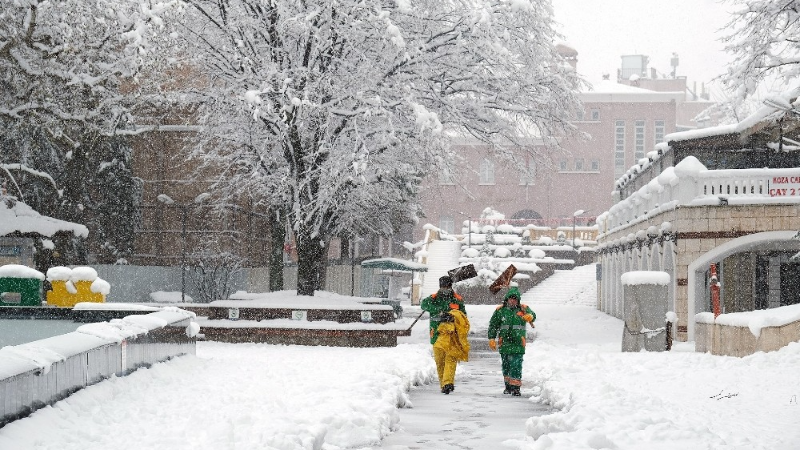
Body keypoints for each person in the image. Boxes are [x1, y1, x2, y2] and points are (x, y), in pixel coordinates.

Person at [421, 275, 468, 394]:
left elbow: (463, 317)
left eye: (447, 286)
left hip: (452, 334)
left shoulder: (457, 300)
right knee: (440, 361)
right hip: (437, 334)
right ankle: (444, 384)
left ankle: (448, 383)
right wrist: (439, 311)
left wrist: (453, 316)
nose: (445, 288)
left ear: (450, 286)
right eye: (443, 286)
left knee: (451, 359)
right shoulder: (433, 298)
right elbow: (424, 305)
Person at [487, 286, 536, 396]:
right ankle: (508, 386)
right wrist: (491, 338)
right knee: (506, 365)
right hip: (504, 343)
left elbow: (533, 315)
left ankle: (516, 388)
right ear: (507, 299)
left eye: (515, 299)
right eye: (511, 298)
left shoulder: (523, 309)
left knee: (516, 364)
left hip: (518, 343)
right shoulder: (500, 311)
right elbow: (493, 325)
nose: (513, 300)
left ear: (518, 300)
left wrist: (530, 316)